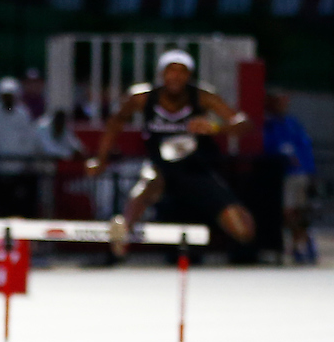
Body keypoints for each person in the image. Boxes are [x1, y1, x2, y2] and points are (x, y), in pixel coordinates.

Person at [86, 50, 255, 258]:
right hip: (161, 167)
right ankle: (123, 228)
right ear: (161, 74)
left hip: (195, 168)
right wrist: (100, 159)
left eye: (181, 71)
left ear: (189, 75)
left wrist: (215, 127)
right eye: (170, 71)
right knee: (148, 182)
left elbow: (244, 123)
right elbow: (114, 124)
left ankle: (231, 241)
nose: (175, 76)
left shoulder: (202, 96)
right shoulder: (142, 97)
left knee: (244, 231)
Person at [0, 77, 41, 248]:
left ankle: (15, 246)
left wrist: (21, 163)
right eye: (5, 95)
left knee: (16, 212)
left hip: (17, 172)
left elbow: (28, 140)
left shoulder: (23, 114)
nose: (8, 99)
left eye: (11, 95)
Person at [263, 91, 317, 263]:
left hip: (300, 175)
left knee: (301, 211)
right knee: (287, 212)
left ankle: (302, 244)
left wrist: (310, 172)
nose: (283, 105)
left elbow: (305, 149)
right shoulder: (268, 124)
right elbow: (268, 147)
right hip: (282, 176)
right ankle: (294, 244)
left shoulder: (292, 123)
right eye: (279, 101)